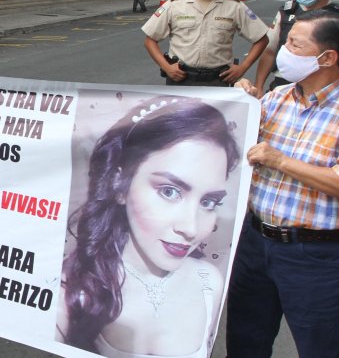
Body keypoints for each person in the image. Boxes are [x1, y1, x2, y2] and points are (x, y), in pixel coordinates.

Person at [228, 10, 339, 358]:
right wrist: (237, 105)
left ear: (327, 57)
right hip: (256, 245)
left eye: (293, 44)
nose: (283, 50)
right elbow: (233, 149)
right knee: (245, 343)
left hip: (319, 257)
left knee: (319, 349)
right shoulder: (276, 100)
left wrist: (281, 161)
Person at [58, 97, 239, 356]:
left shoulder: (209, 283)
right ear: (120, 184)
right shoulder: (71, 292)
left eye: (209, 201)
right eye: (169, 191)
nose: (190, 228)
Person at [141, 0, 269, 86]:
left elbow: (261, 38)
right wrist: (167, 68)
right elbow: (150, 40)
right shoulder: (174, 5)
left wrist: (242, 68)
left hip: (218, 81)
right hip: (182, 79)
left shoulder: (234, 6)